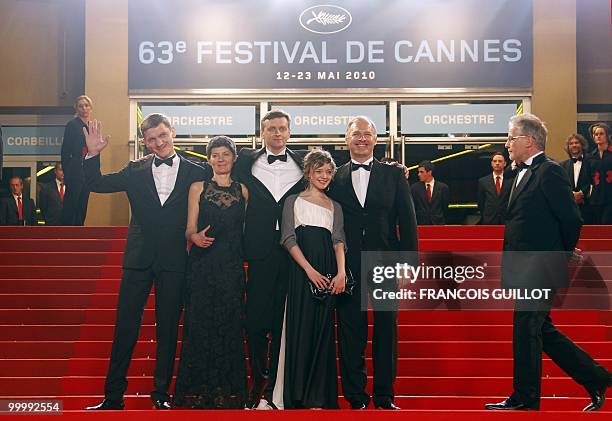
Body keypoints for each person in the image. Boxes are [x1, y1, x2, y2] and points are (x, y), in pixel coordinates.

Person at [83, 114, 209, 410]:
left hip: (176, 259)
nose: (159, 143)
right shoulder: (134, 170)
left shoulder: (197, 171)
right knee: (125, 327)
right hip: (138, 258)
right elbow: (95, 183)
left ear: (173, 133)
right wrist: (92, 154)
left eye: (163, 135)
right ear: (145, 142)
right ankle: (113, 397)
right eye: (152, 139)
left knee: (167, 329)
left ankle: (161, 395)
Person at [485, 113, 610, 412]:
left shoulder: (550, 171)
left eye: (511, 138)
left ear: (528, 141)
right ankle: (595, 378)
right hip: (524, 266)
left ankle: (525, 398)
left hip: (541, 266)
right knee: (540, 329)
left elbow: (571, 218)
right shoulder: (521, 173)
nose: (507, 144)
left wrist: (562, 256)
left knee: (527, 328)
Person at [328, 116, 418, 410]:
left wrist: (408, 262)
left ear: (376, 140)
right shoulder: (335, 177)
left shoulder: (394, 176)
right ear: (346, 140)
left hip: (386, 261)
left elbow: (408, 220)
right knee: (350, 331)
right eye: (356, 134)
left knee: (385, 330)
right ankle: (356, 397)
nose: (362, 139)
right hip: (348, 264)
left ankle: (384, 397)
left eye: (367, 134)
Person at [233, 110, 306, 409]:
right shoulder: (245, 161)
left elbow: (332, 176)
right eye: (271, 129)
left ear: (289, 132)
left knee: (283, 321)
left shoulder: (304, 162)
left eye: (282, 129)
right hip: (260, 250)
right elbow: (214, 170)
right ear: (262, 132)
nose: (277, 133)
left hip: (294, 251)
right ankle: (258, 379)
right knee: (254, 321)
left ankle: (277, 386)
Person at [173, 136, 249, 409]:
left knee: (229, 325)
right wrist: (194, 237)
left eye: (225, 154)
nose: (220, 159)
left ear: (233, 158)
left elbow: (244, 233)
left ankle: (224, 388)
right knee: (200, 326)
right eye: (214, 155)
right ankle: (201, 388)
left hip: (231, 266)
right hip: (202, 265)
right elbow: (188, 228)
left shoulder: (243, 190)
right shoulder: (197, 188)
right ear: (209, 160)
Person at [272, 150, 345, 409]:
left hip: (328, 272)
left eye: (328, 172)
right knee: (300, 327)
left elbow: (339, 241)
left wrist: (341, 273)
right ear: (308, 173)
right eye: (319, 171)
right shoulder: (293, 201)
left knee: (323, 331)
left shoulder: (335, 206)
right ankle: (298, 394)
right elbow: (288, 239)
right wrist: (309, 270)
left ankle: (318, 396)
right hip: (301, 272)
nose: (324, 176)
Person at [61, 95, 93, 225]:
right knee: (72, 204)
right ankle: (67, 235)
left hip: (87, 171)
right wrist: (67, 173)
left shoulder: (91, 126)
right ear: (76, 108)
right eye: (80, 106)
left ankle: (80, 233)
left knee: (82, 205)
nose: (84, 108)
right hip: (75, 170)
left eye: (86, 105)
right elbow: (65, 151)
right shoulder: (72, 125)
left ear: (90, 108)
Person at [560, 134, 592, 223]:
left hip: (588, 207)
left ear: (582, 145)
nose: (574, 145)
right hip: (570, 208)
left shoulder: (591, 162)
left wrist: (581, 193)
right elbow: (562, 185)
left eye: (577, 143)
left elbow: (593, 181)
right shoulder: (562, 165)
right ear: (568, 147)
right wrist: (572, 195)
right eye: (571, 143)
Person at [477, 152, 513, 225]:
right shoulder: (483, 181)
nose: (497, 163)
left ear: (505, 163)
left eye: (500, 161)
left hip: (506, 220)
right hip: (489, 220)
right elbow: (481, 202)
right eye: (494, 161)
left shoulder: (511, 181)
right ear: (491, 163)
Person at [410, 160, 450, 225]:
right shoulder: (414, 188)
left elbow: (445, 207)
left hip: (438, 223)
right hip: (421, 224)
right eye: (418, 172)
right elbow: (413, 207)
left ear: (429, 172)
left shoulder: (443, 188)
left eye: (421, 172)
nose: (419, 174)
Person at [588, 123, 612, 224]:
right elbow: (589, 177)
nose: (598, 136)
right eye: (596, 134)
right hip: (596, 198)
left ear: (608, 136)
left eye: (601, 133)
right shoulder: (590, 156)